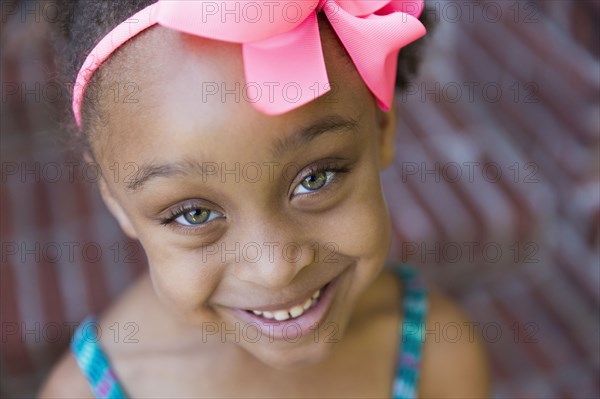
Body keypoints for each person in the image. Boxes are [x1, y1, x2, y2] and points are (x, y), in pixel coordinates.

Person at [39, 1, 490, 397]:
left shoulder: (435, 351)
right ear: (116, 202)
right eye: (194, 214)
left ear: (382, 129)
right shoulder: (84, 391)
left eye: (315, 179)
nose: (275, 268)